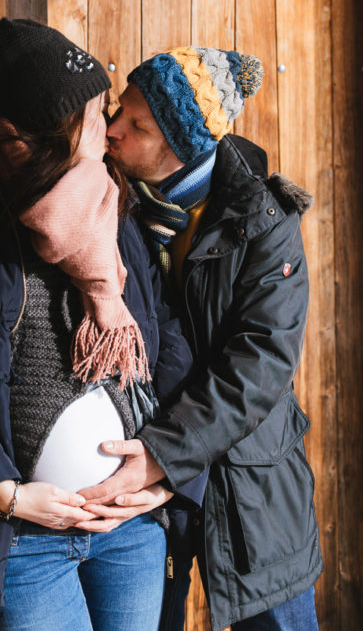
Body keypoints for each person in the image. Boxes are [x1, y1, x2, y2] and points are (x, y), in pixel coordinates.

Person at [0, 20, 200, 631]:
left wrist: (167, 470)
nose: (109, 129)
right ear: (59, 128)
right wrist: (5, 492)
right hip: (20, 538)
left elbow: (164, 335)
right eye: (97, 113)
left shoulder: (109, 195)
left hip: (129, 525)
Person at [79, 47, 322, 631]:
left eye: (136, 126)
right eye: (119, 112)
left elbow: (259, 366)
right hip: (145, 479)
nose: (112, 131)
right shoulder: (111, 204)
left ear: (180, 149)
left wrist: (162, 455)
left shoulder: (264, 225)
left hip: (251, 480)